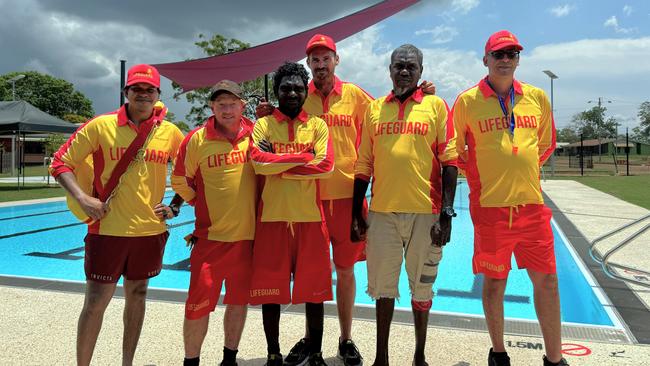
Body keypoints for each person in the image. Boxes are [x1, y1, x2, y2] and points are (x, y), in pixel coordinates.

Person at [255, 34, 436, 366]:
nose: (321, 65)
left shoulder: (355, 96)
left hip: (346, 199)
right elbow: (274, 126)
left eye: (326, 58)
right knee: (314, 276)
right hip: (308, 200)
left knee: (346, 270)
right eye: (315, 60)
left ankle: (346, 337)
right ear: (308, 65)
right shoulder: (298, 97)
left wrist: (420, 93)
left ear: (336, 61)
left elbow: (392, 106)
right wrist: (265, 110)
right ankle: (312, 340)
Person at [49, 64, 184, 366]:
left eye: (150, 90)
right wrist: (83, 199)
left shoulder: (170, 133)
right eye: (137, 89)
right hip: (107, 229)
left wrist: (175, 205)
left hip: (149, 231)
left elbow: (191, 172)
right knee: (96, 301)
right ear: (126, 92)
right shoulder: (101, 126)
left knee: (138, 295)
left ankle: (127, 363)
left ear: (158, 95)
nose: (143, 94)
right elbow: (60, 163)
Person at [451, 30, 566, 366]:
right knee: (494, 284)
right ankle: (498, 353)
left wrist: (519, 169)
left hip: (531, 206)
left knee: (548, 282)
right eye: (498, 55)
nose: (505, 60)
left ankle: (555, 358)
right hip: (491, 210)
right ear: (485, 59)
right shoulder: (468, 102)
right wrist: (481, 177)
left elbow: (545, 144)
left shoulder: (536, 97)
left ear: (518, 59)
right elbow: (456, 150)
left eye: (512, 54)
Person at [351, 44, 458, 366]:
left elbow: (450, 160)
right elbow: (363, 165)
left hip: (426, 213)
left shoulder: (436, 106)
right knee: (383, 288)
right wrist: (357, 213)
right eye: (399, 65)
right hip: (382, 213)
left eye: (411, 66)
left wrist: (447, 214)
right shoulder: (374, 110)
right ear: (390, 69)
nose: (405, 71)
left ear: (421, 72)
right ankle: (381, 358)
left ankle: (419, 357)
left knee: (421, 289)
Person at [249, 62, 334, 366]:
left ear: (305, 89)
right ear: (277, 91)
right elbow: (258, 162)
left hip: (310, 219)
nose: (293, 92)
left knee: (315, 293)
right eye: (286, 87)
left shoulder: (318, 125)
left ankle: (316, 353)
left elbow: (325, 166)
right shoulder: (263, 124)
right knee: (270, 292)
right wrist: (303, 158)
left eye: (298, 87)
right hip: (272, 218)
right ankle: (274, 353)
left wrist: (279, 162)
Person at [171, 80, 257, 366]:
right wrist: (198, 201)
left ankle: (229, 360)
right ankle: (191, 362)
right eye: (221, 104)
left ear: (242, 105)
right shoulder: (197, 139)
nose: (227, 109)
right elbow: (179, 179)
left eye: (232, 103)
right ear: (212, 106)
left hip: (247, 240)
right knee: (197, 307)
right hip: (210, 240)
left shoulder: (257, 134)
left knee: (237, 303)